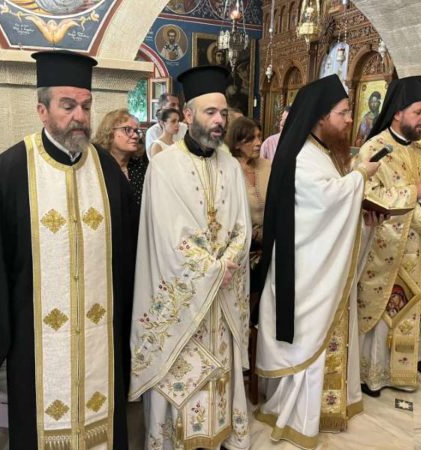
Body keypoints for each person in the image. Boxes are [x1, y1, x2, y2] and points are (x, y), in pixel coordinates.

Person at [0, 51, 137, 449]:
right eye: (67, 106)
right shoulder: (11, 170)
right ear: (42, 111)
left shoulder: (108, 172)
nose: (79, 116)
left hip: (101, 336)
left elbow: (129, 256)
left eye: (86, 106)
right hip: (36, 339)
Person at [255, 74, 380, 449]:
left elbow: (330, 201)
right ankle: (298, 414)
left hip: (316, 263)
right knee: (307, 336)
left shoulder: (319, 151)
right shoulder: (301, 155)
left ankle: (327, 406)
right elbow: (325, 201)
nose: (349, 119)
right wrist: (360, 177)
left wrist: (358, 201)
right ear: (321, 116)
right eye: (343, 112)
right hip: (303, 269)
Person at [130, 65, 251, 449]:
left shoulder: (230, 164)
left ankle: (221, 435)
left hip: (222, 294)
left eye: (223, 113)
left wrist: (230, 260)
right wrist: (212, 269)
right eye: (210, 112)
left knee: (220, 367)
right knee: (182, 368)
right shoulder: (164, 167)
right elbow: (167, 236)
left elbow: (242, 226)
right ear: (187, 115)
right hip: (185, 296)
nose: (219, 121)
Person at [355, 75, 421, 397]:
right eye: (418, 112)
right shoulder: (374, 149)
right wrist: (414, 192)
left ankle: (400, 374)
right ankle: (370, 376)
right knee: (381, 313)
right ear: (397, 112)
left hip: (414, 253)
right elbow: (364, 195)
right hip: (383, 252)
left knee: (406, 312)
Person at [225, 116, 270, 310]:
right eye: (251, 139)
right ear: (237, 142)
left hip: (267, 246)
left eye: (259, 136)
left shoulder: (267, 166)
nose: (258, 142)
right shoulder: (227, 169)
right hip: (241, 249)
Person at [93, 108, 148, 207]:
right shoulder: (97, 166)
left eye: (136, 131)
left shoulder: (140, 166)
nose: (135, 136)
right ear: (110, 132)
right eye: (127, 130)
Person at [145, 92, 188, 159]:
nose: (177, 108)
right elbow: (153, 160)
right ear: (162, 107)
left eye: (178, 105)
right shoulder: (152, 132)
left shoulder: (184, 127)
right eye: (173, 105)